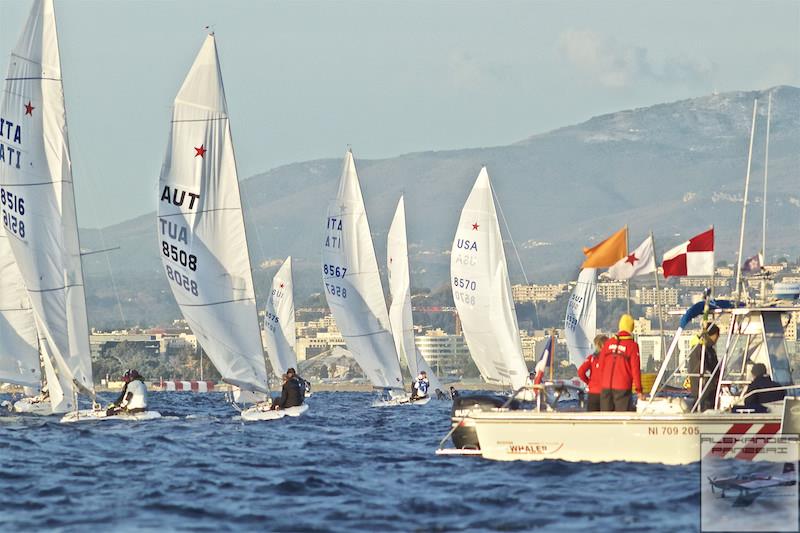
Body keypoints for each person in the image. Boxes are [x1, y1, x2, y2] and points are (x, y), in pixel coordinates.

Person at [599, 314, 643, 412]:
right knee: (622, 419)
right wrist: (639, 390)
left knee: (606, 419)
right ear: (631, 328)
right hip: (622, 388)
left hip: (606, 388)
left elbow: (601, 366)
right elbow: (635, 370)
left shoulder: (609, 343)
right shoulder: (632, 346)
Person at [688, 324, 720, 411]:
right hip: (703, 389)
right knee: (704, 407)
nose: (717, 339)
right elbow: (701, 368)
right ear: (713, 335)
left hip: (709, 388)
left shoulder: (709, 349)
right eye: (717, 336)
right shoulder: (700, 349)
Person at [578, 334, 608, 412]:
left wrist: (589, 383)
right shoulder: (609, 358)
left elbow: (581, 372)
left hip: (593, 393)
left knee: (592, 420)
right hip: (606, 393)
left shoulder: (591, 358)